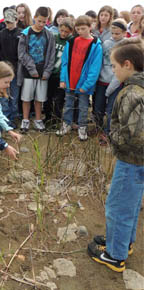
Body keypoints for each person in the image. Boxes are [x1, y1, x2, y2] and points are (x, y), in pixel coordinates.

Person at [88, 38, 144, 273]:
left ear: (128, 64)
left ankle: (115, 255)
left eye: (114, 66)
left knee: (118, 206)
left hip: (131, 161)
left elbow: (137, 135)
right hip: (138, 163)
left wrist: (114, 138)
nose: (113, 70)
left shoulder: (132, 93)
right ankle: (123, 242)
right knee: (130, 204)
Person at [56, 15, 102, 141]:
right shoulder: (71, 41)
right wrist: (63, 79)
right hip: (70, 81)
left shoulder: (95, 45)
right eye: (78, 29)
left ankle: (82, 128)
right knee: (68, 104)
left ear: (90, 27)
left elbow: (95, 68)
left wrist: (86, 85)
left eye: (83, 28)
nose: (80, 31)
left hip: (84, 84)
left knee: (83, 107)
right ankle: (66, 125)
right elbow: (64, 62)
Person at [17, 6, 55, 133]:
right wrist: (32, 69)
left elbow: (51, 54)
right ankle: (25, 120)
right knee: (26, 98)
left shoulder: (49, 35)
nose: (41, 24)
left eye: (44, 22)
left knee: (40, 99)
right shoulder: (26, 33)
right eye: (39, 21)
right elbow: (21, 54)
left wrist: (47, 71)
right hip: (28, 72)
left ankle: (38, 120)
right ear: (34, 18)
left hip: (43, 72)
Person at [93, 19, 127, 145]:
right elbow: (99, 62)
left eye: (117, 34)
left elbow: (122, 68)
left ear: (124, 32)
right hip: (102, 80)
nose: (114, 36)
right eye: (112, 33)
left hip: (117, 82)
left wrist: (110, 88)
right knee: (98, 107)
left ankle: (108, 132)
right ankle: (99, 128)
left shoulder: (126, 46)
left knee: (111, 110)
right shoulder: (106, 43)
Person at [43, 17, 74, 126]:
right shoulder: (54, 38)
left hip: (62, 76)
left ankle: (56, 119)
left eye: (67, 31)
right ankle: (47, 118)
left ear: (71, 31)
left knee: (59, 100)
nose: (64, 33)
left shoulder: (71, 42)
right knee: (47, 97)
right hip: (51, 73)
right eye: (62, 30)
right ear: (59, 28)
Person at [0, 9, 21, 129]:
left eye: (10, 22)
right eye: (6, 22)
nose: (8, 25)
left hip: (16, 71)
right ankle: (5, 119)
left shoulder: (21, 34)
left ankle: (14, 117)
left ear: (16, 20)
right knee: (3, 97)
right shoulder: (0, 35)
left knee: (14, 96)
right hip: (3, 72)